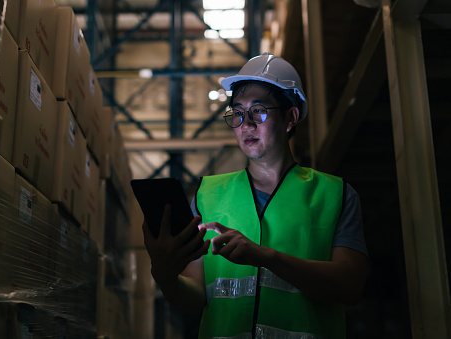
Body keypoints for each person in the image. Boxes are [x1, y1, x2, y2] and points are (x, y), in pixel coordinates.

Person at [142, 53, 368, 339]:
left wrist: (264, 256)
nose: (245, 124)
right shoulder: (206, 196)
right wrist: (163, 274)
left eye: (258, 110)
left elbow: (350, 286)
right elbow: (195, 297)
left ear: (291, 117)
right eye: (237, 113)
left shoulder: (335, 195)